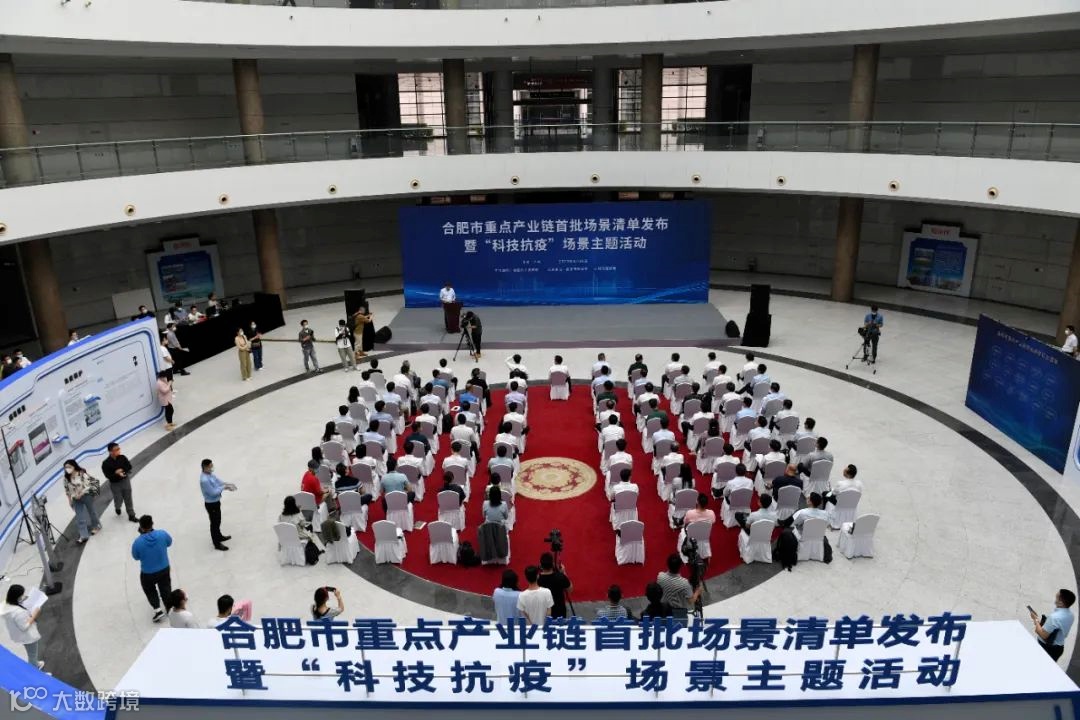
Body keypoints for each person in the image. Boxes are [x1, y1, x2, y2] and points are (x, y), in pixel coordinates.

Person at [131, 515, 173, 622]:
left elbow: (135, 557)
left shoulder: (137, 542)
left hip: (148, 573)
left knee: (149, 590)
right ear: (152, 523)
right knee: (165, 587)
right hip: (164, 568)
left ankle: (158, 610)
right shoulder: (162, 534)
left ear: (141, 527)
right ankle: (169, 607)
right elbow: (169, 543)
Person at [3, 585, 44, 668]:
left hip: (18, 634)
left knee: (31, 653)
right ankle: (34, 667)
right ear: (17, 597)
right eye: (21, 595)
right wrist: (34, 614)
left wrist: (22, 600)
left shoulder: (6, 605)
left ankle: (34, 663)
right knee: (32, 654)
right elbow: (24, 627)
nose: (23, 596)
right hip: (27, 637)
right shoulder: (18, 613)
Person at [199, 458, 236, 551]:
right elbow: (213, 493)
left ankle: (219, 536)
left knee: (218, 521)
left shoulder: (210, 474)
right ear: (205, 467)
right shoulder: (204, 480)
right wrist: (224, 487)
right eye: (210, 466)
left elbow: (218, 482)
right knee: (214, 524)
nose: (212, 467)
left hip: (216, 502)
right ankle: (217, 544)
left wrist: (227, 485)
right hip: (211, 504)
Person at [62, 459, 101, 544]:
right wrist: (69, 500)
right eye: (65, 467)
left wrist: (81, 493)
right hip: (75, 498)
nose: (67, 469)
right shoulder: (66, 478)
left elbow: (89, 485)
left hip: (86, 495)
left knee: (91, 512)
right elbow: (67, 490)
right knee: (79, 517)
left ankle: (96, 526)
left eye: (69, 467)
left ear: (74, 466)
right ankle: (84, 535)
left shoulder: (82, 473)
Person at [1031, 589, 1076, 661]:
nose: (1055, 597)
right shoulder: (1071, 615)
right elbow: (1057, 626)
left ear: (1061, 603)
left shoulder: (1054, 617)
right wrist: (1041, 623)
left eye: (1057, 597)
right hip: (1059, 648)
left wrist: (1035, 619)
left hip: (1047, 648)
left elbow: (1043, 635)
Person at [657, 553, 700, 625]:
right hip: (679, 615)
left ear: (668, 564)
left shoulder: (660, 576)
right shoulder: (684, 583)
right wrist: (697, 592)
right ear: (680, 566)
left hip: (663, 612)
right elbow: (691, 601)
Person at [101, 442, 137, 522]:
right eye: (116, 449)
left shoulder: (122, 457)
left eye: (119, 449)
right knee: (118, 499)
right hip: (115, 484)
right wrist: (116, 474)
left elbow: (129, 466)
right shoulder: (105, 463)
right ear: (111, 452)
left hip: (125, 481)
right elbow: (108, 476)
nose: (119, 450)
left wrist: (122, 469)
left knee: (128, 498)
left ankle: (131, 515)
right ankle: (117, 507)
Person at [537, 552, 572, 619]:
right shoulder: (560, 577)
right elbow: (570, 589)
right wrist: (564, 572)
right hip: (559, 613)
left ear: (540, 565)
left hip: (543, 612)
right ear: (553, 564)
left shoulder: (537, 580)